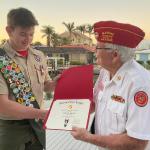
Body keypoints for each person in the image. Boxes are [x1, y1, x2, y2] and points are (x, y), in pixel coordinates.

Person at [71, 21, 150, 150]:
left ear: (114, 55)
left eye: (98, 48)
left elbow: (136, 143)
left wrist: (88, 137)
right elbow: (94, 102)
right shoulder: (105, 72)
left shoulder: (140, 85)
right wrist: (66, 112)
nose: (94, 51)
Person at [0, 7, 58, 150]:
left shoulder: (38, 56)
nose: (28, 39)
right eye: (23, 34)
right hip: (12, 129)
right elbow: (2, 104)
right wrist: (41, 113)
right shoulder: (2, 59)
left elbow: (45, 85)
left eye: (32, 34)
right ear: (9, 30)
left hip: (37, 126)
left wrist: (56, 83)